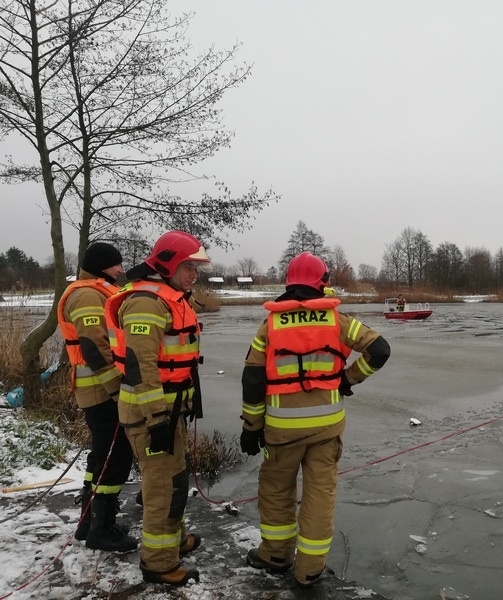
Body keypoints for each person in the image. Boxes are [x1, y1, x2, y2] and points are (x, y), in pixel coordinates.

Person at [240, 251, 391, 588]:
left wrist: (251, 429)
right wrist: (349, 379)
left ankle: (276, 556)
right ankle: (309, 570)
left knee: (277, 491)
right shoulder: (338, 321)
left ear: (289, 282)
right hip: (326, 429)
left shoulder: (270, 325)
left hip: (281, 432)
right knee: (320, 495)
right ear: (322, 283)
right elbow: (380, 350)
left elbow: (252, 380)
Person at [105, 231, 208, 586]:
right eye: (189, 266)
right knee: (163, 485)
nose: (194, 274)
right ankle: (160, 562)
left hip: (169, 407)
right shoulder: (146, 302)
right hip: (151, 412)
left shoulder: (169, 297)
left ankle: (175, 540)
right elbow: (141, 364)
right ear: (168, 264)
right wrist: (157, 417)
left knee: (175, 478)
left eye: (196, 267)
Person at [57, 242, 137, 552]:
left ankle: (89, 522)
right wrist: (118, 391)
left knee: (101, 455)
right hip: (102, 393)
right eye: (116, 264)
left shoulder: (97, 291)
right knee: (114, 458)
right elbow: (93, 347)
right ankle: (102, 529)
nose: (121, 270)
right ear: (103, 265)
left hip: (98, 391)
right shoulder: (88, 295)